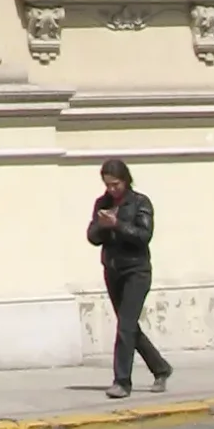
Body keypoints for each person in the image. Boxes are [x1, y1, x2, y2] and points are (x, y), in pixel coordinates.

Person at [87, 157, 171, 398]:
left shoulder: (140, 202)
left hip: (137, 271)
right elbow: (92, 236)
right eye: (108, 185)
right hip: (113, 270)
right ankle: (161, 368)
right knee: (129, 327)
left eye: (116, 185)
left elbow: (143, 235)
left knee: (124, 326)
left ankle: (122, 381)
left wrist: (118, 224)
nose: (112, 190)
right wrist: (103, 226)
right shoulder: (102, 203)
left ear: (125, 181)